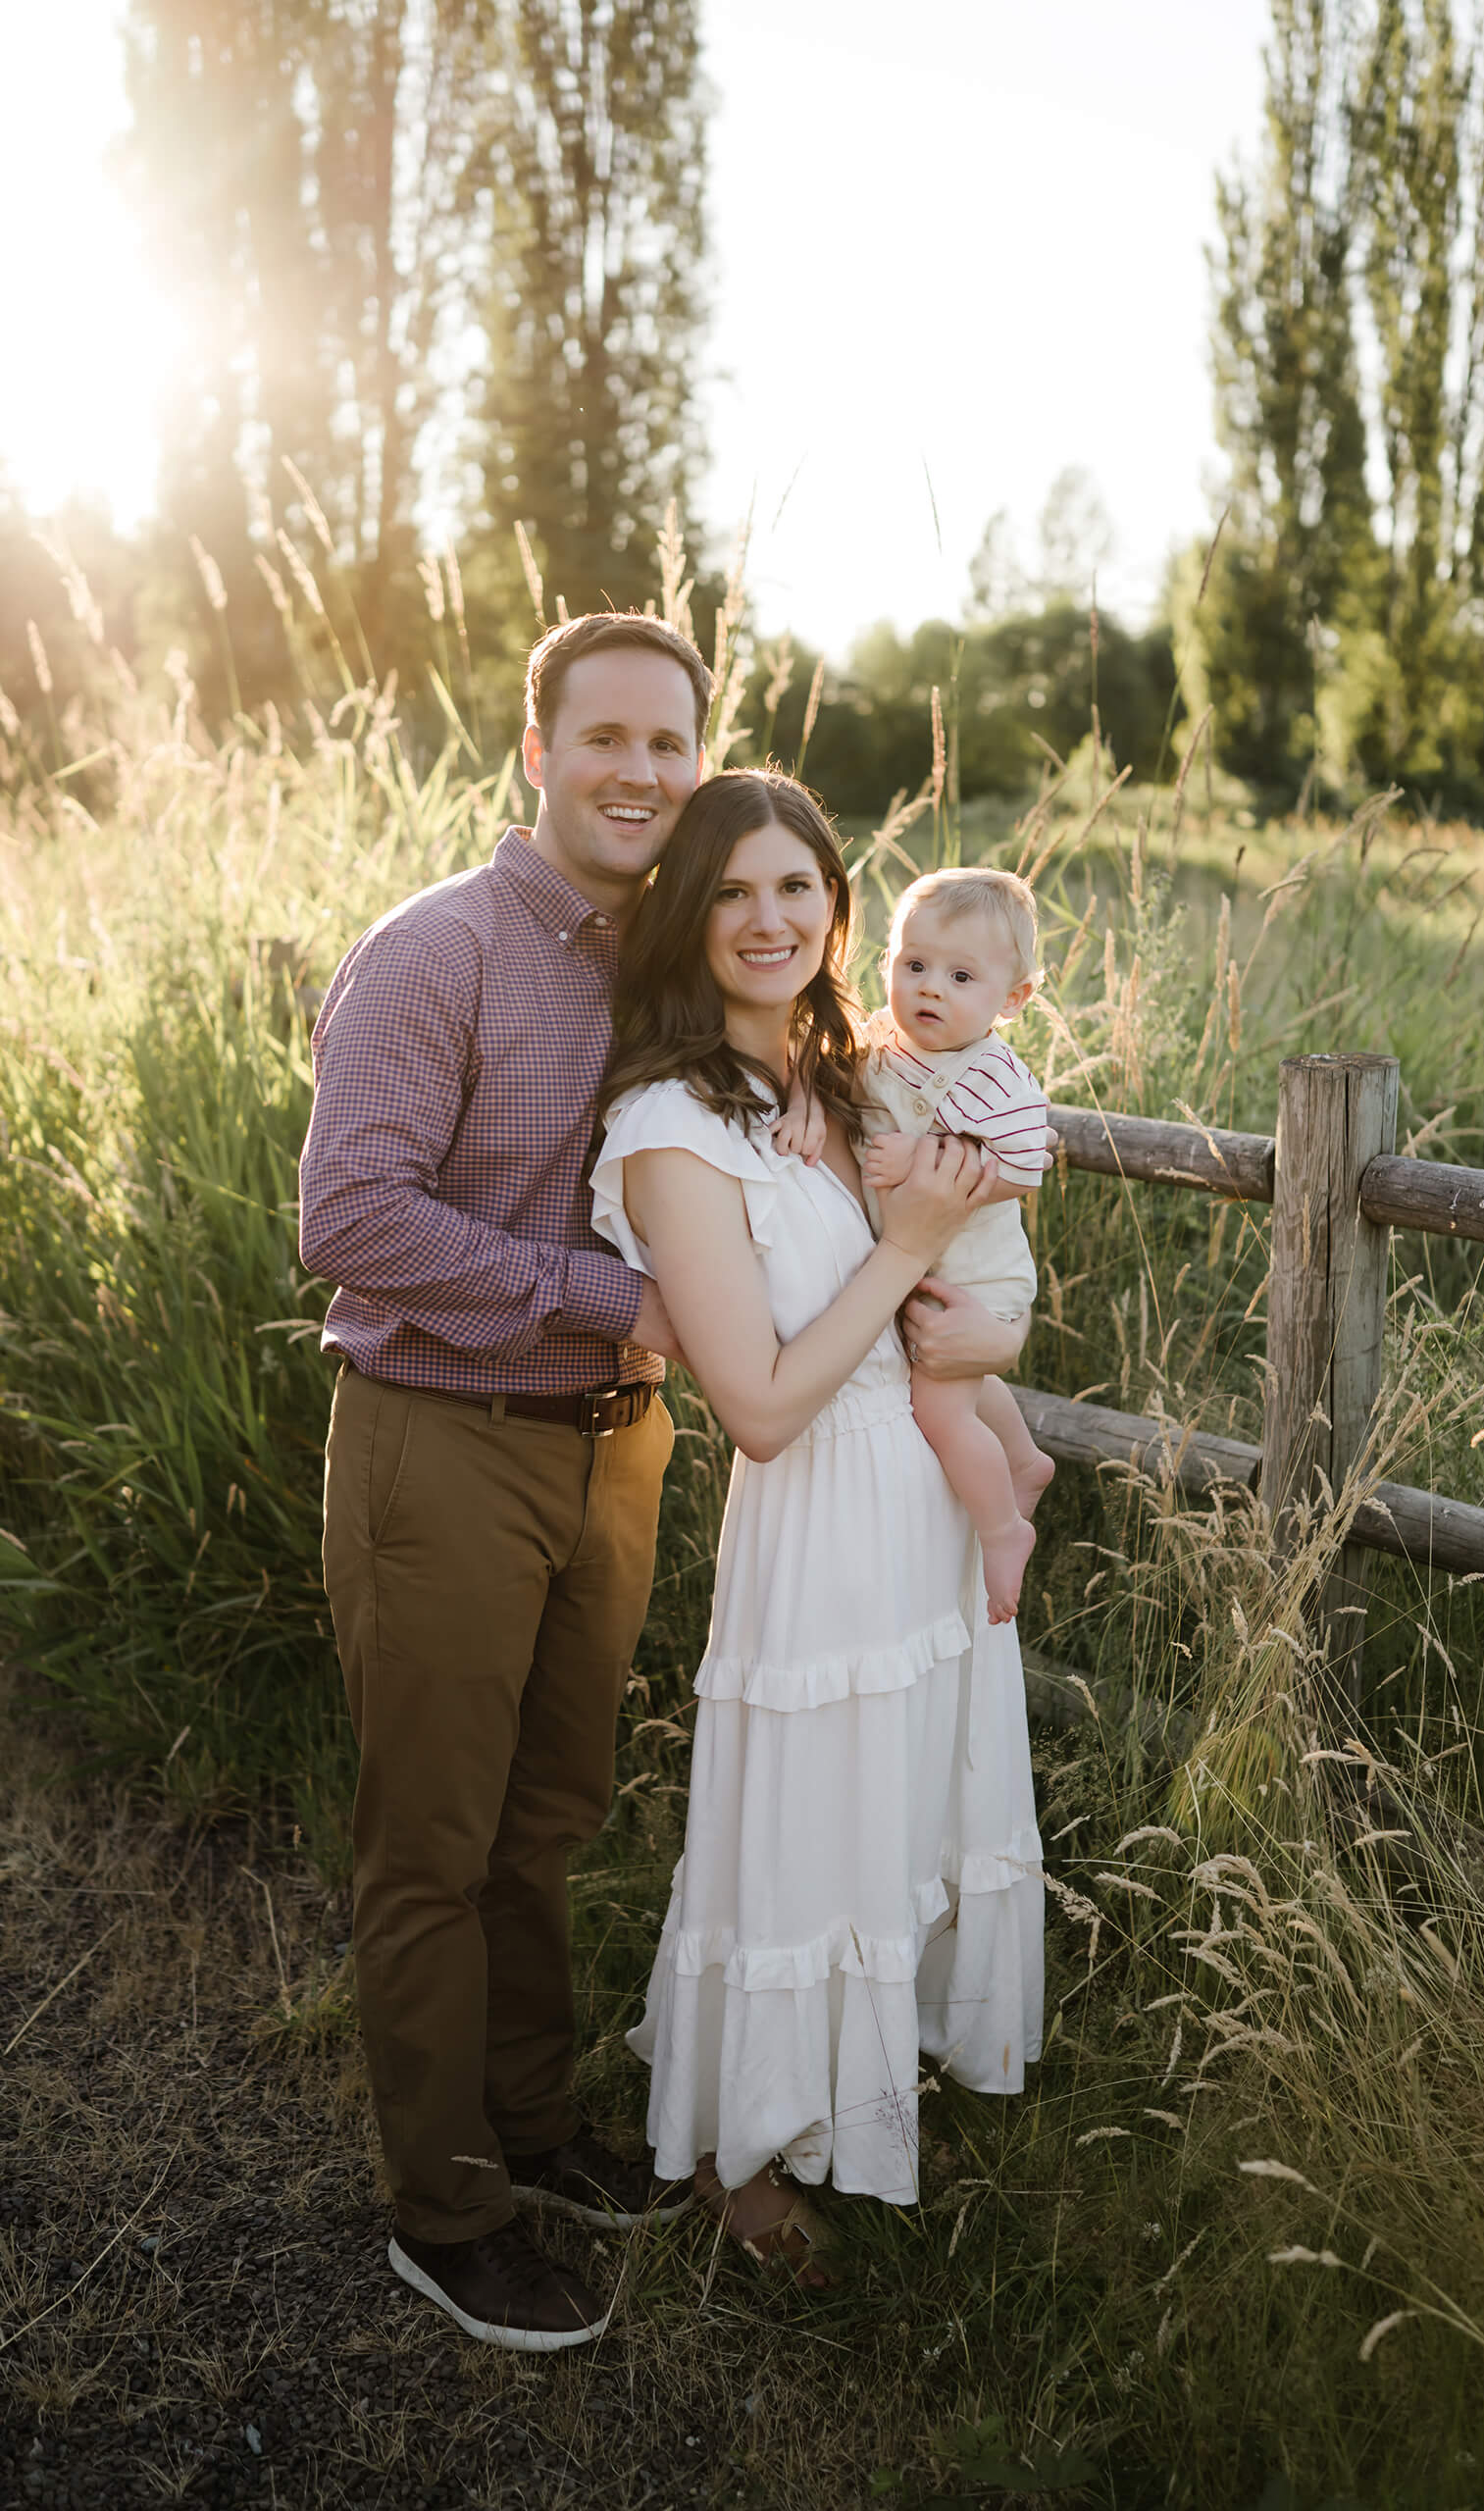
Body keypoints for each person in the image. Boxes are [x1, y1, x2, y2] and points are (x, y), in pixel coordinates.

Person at [297, 611, 712, 2353]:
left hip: (615, 1455)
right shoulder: (437, 954)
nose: (634, 770)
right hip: (443, 1444)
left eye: (666, 745)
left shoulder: (681, 960)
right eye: (601, 737)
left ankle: (531, 2133)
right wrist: (613, 1302)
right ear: (534, 751)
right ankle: (442, 2212)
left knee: (548, 1824)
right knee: (434, 1845)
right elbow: (353, 1220)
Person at [590, 768, 1045, 2284]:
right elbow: (762, 1406)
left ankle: (870, 2081)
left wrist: (944, 1270)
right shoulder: (668, 1127)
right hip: (817, 1511)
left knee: (900, 1804)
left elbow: (958, 1260)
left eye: (796, 886)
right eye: (731, 890)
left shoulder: (845, 1073)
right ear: (688, 914)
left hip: (917, 1498)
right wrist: (909, 1238)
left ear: (836, 905)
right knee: (801, 1827)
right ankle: (741, 2147)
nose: (768, 917)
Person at [781, 867, 1056, 1624]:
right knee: (960, 1381)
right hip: (918, 1270)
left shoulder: (995, 1079)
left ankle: (1005, 1531)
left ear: (1012, 999)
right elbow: (813, 1062)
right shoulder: (878, 1043)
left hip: (976, 1279)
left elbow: (1022, 1171)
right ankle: (1025, 1459)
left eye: (960, 976)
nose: (930, 988)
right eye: (915, 966)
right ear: (887, 967)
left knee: (938, 1408)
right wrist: (805, 1100)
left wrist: (923, 1159)